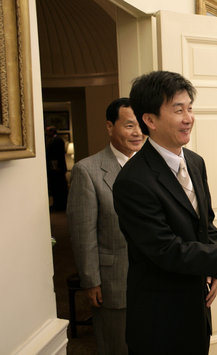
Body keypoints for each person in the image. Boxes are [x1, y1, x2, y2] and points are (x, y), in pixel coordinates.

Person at [112, 70, 217, 354]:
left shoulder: (195, 162)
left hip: (198, 308)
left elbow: (206, 225)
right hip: (159, 318)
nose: (188, 117)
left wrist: (214, 269)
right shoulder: (133, 181)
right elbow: (167, 250)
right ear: (149, 120)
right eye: (178, 110)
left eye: (190, 108)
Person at [67, 98, 144, 354]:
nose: (137, 133)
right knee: (116, 346)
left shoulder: (154, 166)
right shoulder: (87, 171)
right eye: (129, 125)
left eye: (141, 125)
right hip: (114, 281)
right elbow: (83, 232)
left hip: (154, 281)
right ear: (110, 127)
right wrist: (91, 281)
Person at [45, 125, 68, 210]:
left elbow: (57, 155)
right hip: (54, 168)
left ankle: (61, 205)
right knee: (54, 187)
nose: (46, 133)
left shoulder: (57, 140)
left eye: (47, 131)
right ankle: (56, 204)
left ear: (52, 131)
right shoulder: (51, 140)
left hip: (57, 168)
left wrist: (56, 166)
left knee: (60, 187)